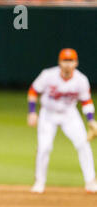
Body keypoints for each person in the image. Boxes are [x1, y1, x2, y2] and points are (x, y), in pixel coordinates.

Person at [27, 48, 97, 194]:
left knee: (83, 144)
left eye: (70, 61)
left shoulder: (81, 80)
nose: (67, 64)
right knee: (44, 147)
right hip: (48, 114)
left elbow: (86, 101)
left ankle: (91, 182)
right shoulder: (48, 75)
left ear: (76, 63)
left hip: (69, 114)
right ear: (59, 62)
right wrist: (32, 112)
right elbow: (33, 90)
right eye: (65, 60)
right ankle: (39, 182)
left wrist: (91, 120)